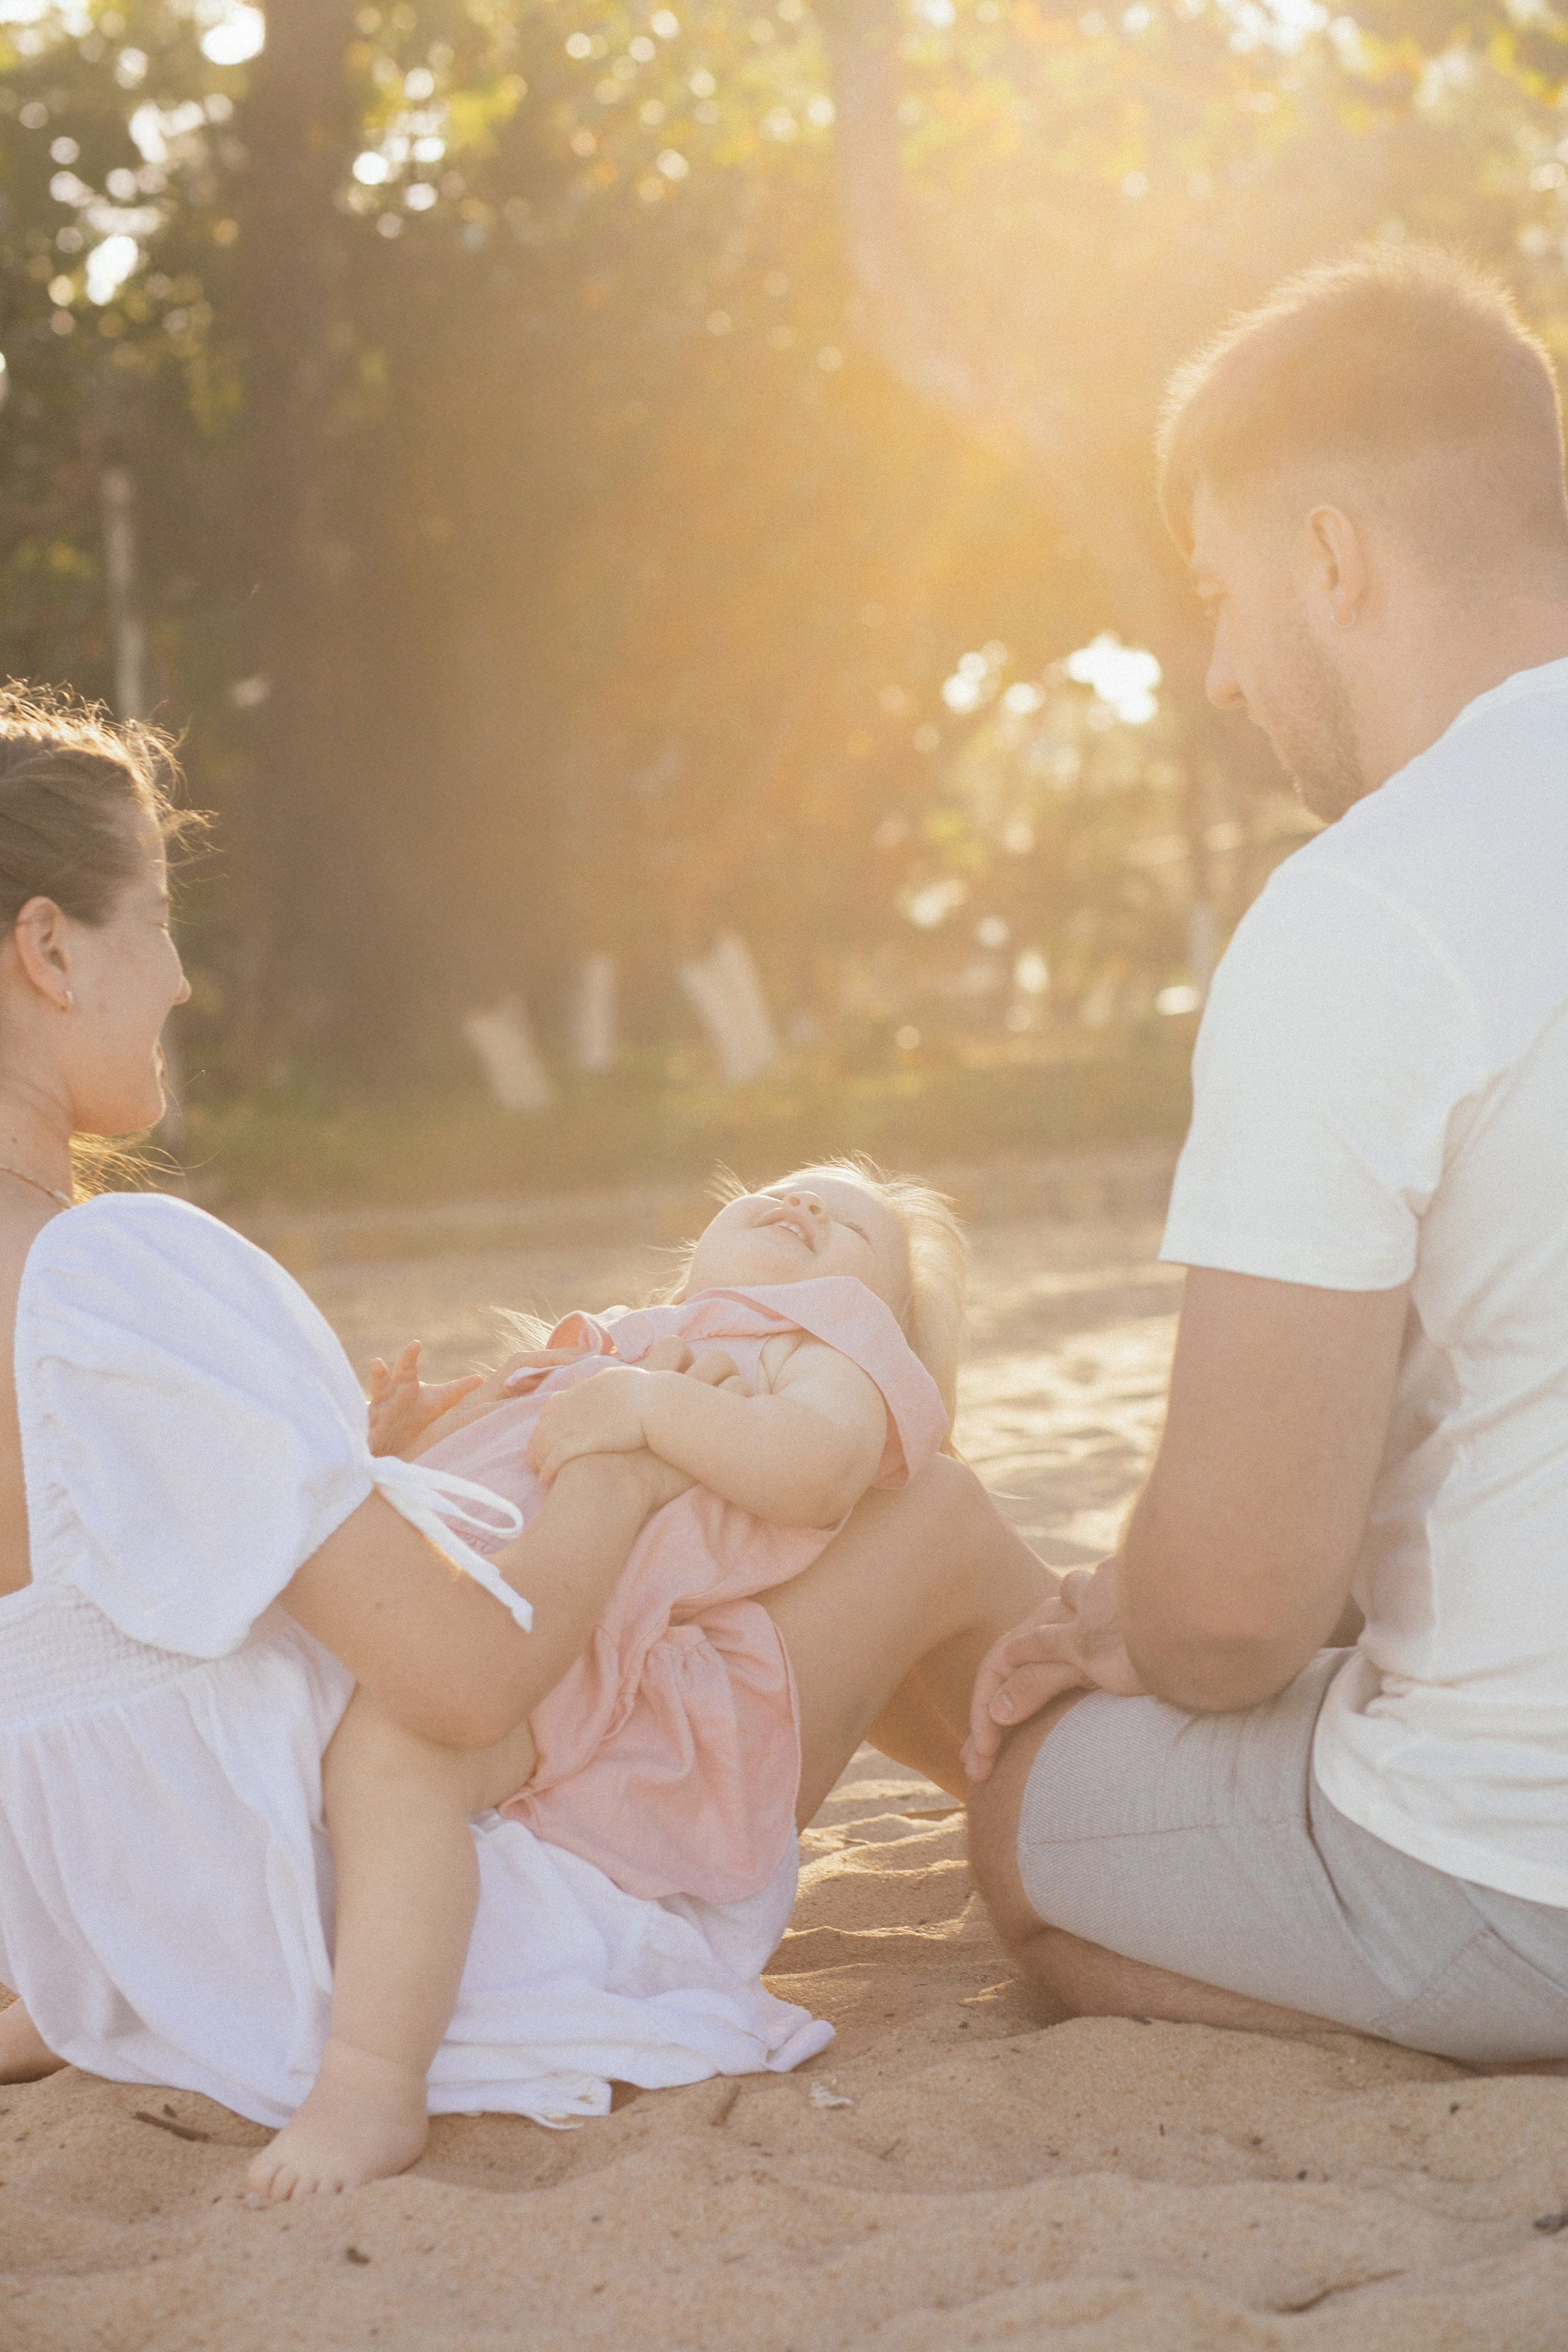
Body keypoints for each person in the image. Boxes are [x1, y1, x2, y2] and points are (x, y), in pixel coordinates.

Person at [0, 687, 1051, 2195]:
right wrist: (618, 1472)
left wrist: (351, 1468)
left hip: (148, 1944)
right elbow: (464, 1682)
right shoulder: (110, 1273)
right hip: (372, 1950)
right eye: (155, 920)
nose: (175, 980)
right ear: (47, 948)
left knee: (764, 1582)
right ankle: (1137, 1825)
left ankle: (1084, 1820)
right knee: (931, 1515)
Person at [965, 244, 1568, 2068]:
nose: (1221, 673)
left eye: (1222, 596)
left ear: (1334, 559)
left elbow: (1235, 1610)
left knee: (1025, 1815)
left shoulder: (1371, 907)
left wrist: (1140, 1629)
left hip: (1524, 1854)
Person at [256, 1163, 965, 2199]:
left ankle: (370, 2082)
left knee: (395, 1762)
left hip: (574, 1643)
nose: (811, 1204)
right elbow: (491, 1461)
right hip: (433, 1592)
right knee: (241, 1694)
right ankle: (111, 1985)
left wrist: (647, 1406)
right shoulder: (611, 1338)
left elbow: (815, 1472)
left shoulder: (816, 1350)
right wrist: (410, 1439)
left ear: (880, 1313)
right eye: (792, 1186)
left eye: (852, 1225)